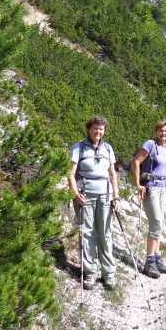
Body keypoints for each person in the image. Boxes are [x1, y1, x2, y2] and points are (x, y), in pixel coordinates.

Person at [68, 115, 121, 290]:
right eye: (95, 128)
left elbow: (113, 174)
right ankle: (90, 273)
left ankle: (109, 274)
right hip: (85, 195)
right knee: (87, 233)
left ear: (104, 130)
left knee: (105, 234)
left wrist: (116, 197)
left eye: (101, 129)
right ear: (89, 129)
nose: (98, 131)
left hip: (105, 196)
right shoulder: (79, 147)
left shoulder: (108, 148)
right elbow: (70, 173)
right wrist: (75, 194)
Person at [131, 117, 166, 278]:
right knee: (155, 222)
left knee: (159, 223)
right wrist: (138, 185)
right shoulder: (150, 144)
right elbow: (136, 162)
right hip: (151, 188)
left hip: (161, 188)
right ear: (156, 131)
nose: (164, 133)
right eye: (161, 130)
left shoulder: (164, 146)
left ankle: (156, 256)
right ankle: (149, 261)